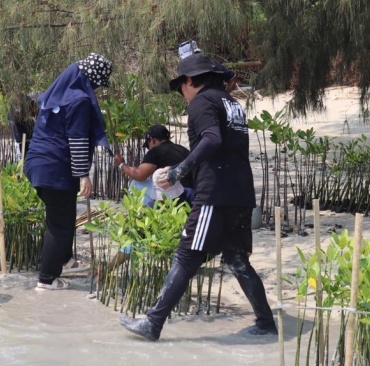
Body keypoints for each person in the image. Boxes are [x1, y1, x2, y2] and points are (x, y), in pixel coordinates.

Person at [119, 53, 277, 340]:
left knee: (185, 256)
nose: (182, 93)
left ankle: (153, 324)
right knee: (237, 260)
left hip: (215, 194)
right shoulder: (233, 104)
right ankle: (266, 323)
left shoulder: (202, 102)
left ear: (191, 80)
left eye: (181, 85)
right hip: (242, 194)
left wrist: (179, 171)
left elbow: (212, 139)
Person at [24, 52, 113, 290]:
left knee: (62, 215)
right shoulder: (79, 100)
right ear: (89, 80)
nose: (96, 91)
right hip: (55, 169)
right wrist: (84, 175)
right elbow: (77, 140)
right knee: (60, 224)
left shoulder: (54, 95)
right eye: (96, 85)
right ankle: (47, 280)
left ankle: (65, 259)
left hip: (36, 164)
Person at [105, 124, 193, 273]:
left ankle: (138, 213)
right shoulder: (183, 150)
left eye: (148, 144)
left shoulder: (157, 151)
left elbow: (139, 174)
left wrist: (121, 164)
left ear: (152, 140)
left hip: (172, 199)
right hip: (191, 198)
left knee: (136, 184)